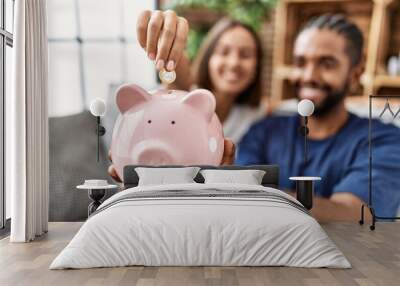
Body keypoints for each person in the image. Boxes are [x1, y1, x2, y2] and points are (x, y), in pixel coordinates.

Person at [236, 14, 400, 222]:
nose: (309, 76)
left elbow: (356, 217)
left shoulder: (383, 140)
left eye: (327, 63)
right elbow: (238, 196)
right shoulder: (262, 132)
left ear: (355, 75)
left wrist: (259, 198)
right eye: (300, 62)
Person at [136, 10, 266, 144]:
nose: (233, 63)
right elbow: (178, 71)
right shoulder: (186, 93)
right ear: (208, 57)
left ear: (257, 66)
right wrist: (166, 29)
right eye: (223, 52)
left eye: (245, 55)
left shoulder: (254, 114)